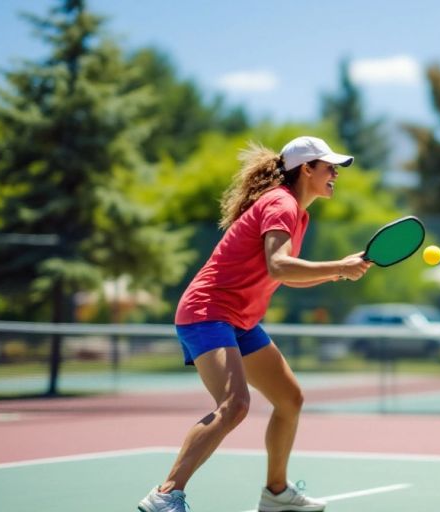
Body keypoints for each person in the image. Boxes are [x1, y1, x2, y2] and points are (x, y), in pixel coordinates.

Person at [138, 136, 372, 512]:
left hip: (240, 320)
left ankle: (276, 493)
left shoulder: (298, 212)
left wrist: (338, 272)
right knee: (234, 404)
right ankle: (165, 495)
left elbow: (283, 274)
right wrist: (338, 266)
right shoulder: (280, 203)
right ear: (306, 169)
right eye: (328, 166)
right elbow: (279, 265)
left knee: (289, 399)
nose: (335, 174)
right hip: (208, 311)